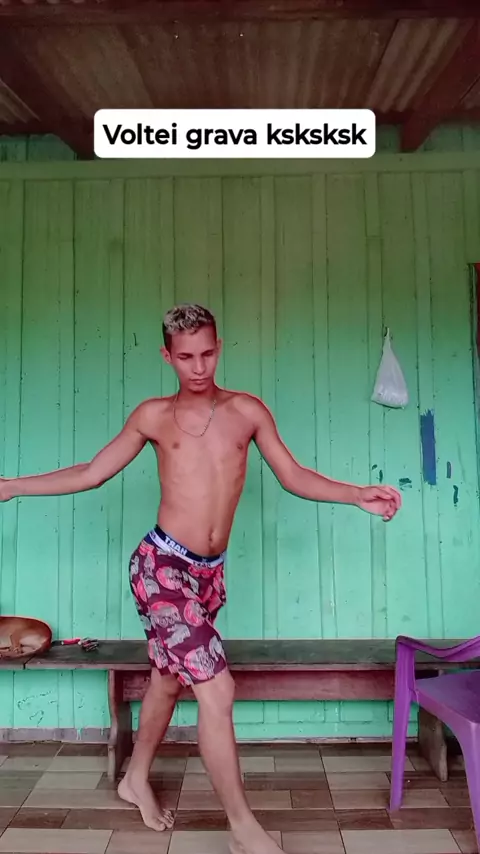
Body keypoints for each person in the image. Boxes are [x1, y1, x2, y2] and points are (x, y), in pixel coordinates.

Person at [0, 303, 401, 854]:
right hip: (161, 567)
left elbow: (293, 475)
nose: (198, 367)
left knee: (168, 678)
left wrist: (356, 494)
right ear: (167, 355)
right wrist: (13, 485)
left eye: (207, 353)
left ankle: (135, 778)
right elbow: (92, 473)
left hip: (208, 575)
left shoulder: (246, 411)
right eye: (185, 356)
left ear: (219, 348)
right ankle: (242, 829)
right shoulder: (152, 416)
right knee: (217, 688)